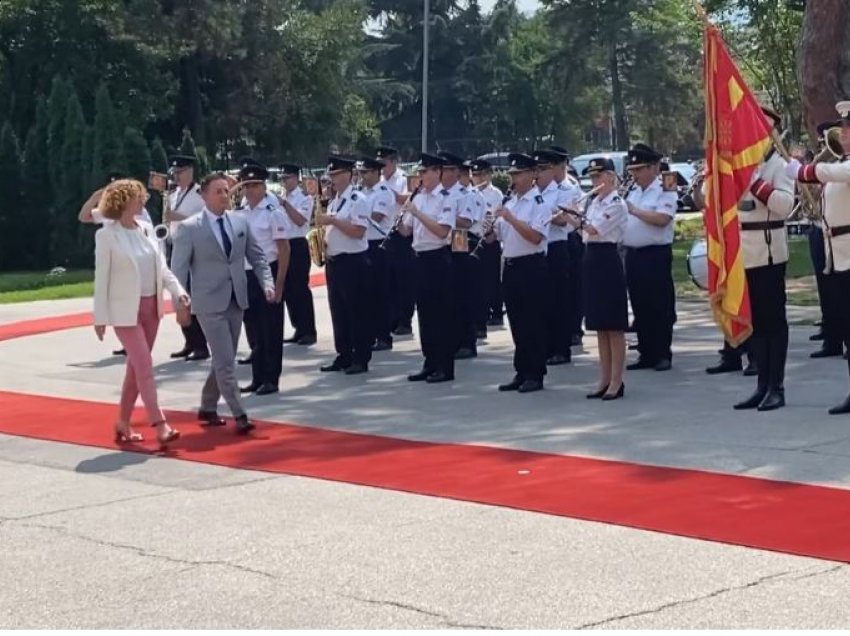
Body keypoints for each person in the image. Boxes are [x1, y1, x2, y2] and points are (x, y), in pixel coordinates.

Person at [170, 172, 274, 434]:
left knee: (222, 359)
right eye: (218, 191)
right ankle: (240, 414)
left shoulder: (239, 222)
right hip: (208, 304)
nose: (224, 196)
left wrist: (267, 283)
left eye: (226, 191)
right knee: (227, 361)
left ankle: (207, 406)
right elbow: (178, 270)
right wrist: (179, 305)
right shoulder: (189, 228)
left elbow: (258, 257)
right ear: (203, 196)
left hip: (236, 300)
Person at [92, 179, 188, 448]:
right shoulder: (107, 235)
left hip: (151, 308)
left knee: (136, 369)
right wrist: (99, 317)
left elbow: (163, 269)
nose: (142, 201)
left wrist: (178, 291)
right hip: (125, 311)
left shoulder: (146, 229)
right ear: (122, 201)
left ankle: (123, 421)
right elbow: (102, 279)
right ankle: (160, 424)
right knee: (144, 364)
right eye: (137, 197)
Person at [721, 107, 795, 412]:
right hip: (743, 252)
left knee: (773, 320)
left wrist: (755, 182)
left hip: (768, 250)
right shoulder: (738, 166)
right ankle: (761, 383)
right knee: (756, 323)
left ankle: (776, 386)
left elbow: (785, 206)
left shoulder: (781, 165)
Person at [787, 100, 850, 414]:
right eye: (845, 130)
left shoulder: (844, 167)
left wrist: (804, 170)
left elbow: (835, 172)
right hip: (839, 255)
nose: (845, 135)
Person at [484, 153, 549, 393]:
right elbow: (499, 237)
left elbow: (535, 237)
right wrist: (489, 231)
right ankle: (521, 370)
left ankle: (535, 372)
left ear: (532, 175)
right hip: (510, 266)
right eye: (512, 174)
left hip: (531, 266)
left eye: (519, 174)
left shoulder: (538, 203)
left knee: (533, 322)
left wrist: (510, 219)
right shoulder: (510, 202)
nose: (514, 179)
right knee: (518, 322)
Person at [566, 157, 629, 401]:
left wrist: (578, 217)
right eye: (592, 177)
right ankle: (603, 378)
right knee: (600, 324)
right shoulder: (593, 203)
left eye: (599, 176)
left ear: (611, 177)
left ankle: (616, 380)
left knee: (613, 325)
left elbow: (595, 229)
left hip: (608, 259)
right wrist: (570, 214)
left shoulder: (616, 203)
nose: (596, 181)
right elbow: (582, 231)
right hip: (590, 258)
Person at [79, 170, 153, 357]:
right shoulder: (108, 213)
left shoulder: (139, 212)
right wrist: (96, 196)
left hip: (136, 264)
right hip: (117, 262)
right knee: (124, 305)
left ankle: (134, 343)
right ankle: (130, 341)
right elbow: (83, 216)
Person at [398, 153, 457, 383]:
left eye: (424, 172)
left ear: (437, 172)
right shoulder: (419, 198)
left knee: (441, 314)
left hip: (438, 259)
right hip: (420, 258)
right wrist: (400, 220)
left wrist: (417, 213)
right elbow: (407, 231)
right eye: (420, 172)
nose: (421, 177)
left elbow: (442, 231)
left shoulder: (446, 198)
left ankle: (444, 365)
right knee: (425, 314)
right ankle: (429, 361)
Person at [622, 144, 679, 372]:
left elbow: (663, 218)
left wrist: (634, 211)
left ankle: (662, 353)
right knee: (640, 304)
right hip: (633, 254)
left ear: (653, 168)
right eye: (632, 170)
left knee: (659, 305)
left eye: (639, 169)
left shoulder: (666, 187)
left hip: (655, 254)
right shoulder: (633, 191)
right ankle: (646, 352)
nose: (634, 175)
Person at [235, 161, 290, 396]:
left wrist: (278, 284)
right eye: (246, 185)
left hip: (268, 270)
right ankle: (257, 376)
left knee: (271, 329)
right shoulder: (241, 212)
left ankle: (271, 377)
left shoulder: (273, 211)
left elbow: (284, 249)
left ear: (264, 185)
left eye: (255, 185)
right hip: (247, 274)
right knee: (254, 329)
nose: (250, 191)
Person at [316, 156, 373, 375]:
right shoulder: (334, 200)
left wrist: (332, 221)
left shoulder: (358, 199)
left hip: (353, 261)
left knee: (356, 311)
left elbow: (358, 231)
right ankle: (344, 354)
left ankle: (360, 357)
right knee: (338, 311)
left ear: (348, 175)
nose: (333, 179)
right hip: (335, 260)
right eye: (331, 175)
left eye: (337, 175)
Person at [534, 149, 581, 366]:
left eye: (543, 168)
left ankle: (561, 348)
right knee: (543, 302)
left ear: (554, 169)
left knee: (560, 299)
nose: (539, 173)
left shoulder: (565, 190)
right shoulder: (535, 192)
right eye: (537, 169)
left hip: (557, 246)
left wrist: (542, 213)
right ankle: (546, 346)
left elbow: (563, 220)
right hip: (539, 249)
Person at [165, 155, 209, 362]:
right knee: (178, 294)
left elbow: (206, 219)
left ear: (190, 171)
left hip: (194, 248)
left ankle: (200, 345)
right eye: (174, 173)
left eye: (180, 172)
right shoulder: (174, 194)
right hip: (177, 245)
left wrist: (180, 218)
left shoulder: (199, 193)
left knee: (191, 297)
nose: (176, 176)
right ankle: (189, 341)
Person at [438, 151, 479, 360]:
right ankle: (450, 340)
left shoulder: (465, 194)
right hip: (438, 244)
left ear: (454, 172)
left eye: (445, 170)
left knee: (461, 292)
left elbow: (466, 222)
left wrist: (446, 216)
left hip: (459, 240)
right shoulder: (437, 193)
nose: (441, 174)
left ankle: (467, 341)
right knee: (445, 296)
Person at [357, 156, 396, 351]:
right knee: (366, 293)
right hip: (364, 244)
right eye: (361, 173)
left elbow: (377, 217)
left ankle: (384, 336)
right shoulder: (361, 192)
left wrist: (354, 216)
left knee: (380, 293)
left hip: (380, 244)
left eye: (365, 172)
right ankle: (370, 334)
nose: (362, 176)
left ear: (375, 172)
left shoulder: (384, 192)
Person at [278, 163, 318, 346]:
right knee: (288, 289)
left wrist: (285, 205)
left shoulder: (304, 198)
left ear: (296, 178)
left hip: (297, 243)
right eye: (282, 179)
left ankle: (308, 330)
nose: (284, 182)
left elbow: (300, 219)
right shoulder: (281, 197)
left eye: (287, 178)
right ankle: (298, 328)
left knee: (300, 288)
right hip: (283, 243)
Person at [376, 146, 414, 336]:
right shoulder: (381, 180)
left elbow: (409, 196)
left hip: (401, 232)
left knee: (403, 280)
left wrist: (393, 193)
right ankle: (391, 319)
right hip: (384, 233)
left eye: (384, 164)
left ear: (393, 162)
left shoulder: (402, 178)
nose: (382, 168)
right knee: (388, 280)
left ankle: (405, 321)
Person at [549, 144, 584, 346]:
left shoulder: (570, 186)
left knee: (573, 286)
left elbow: (565, 218)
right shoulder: (545, 188)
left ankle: (574, 328)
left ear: (562, 165)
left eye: (553, 164)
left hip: (571, 238)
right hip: (553, 240)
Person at [470, 159, 504, 334]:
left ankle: (494, 312)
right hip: (471, 240)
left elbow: (499, 218)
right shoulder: (469, 193)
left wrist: (492, 232)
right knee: (473, 282)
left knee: (489, 280)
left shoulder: (496, 194)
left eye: (481, 174)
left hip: (490, 240)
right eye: (475, 174)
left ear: (489, 174)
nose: (478, 178)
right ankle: (476, 319)